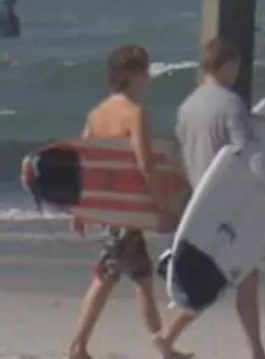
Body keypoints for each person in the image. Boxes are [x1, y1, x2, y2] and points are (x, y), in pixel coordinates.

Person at [153, 37, 265, 359]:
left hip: (198, 203)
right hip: (227, 205)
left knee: (232, 272)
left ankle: (170, 338)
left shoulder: (186, 107)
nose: (238, 73)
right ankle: (255, 352)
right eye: (237, 66)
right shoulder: (230, 104)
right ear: (227, 64)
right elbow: (250, 154)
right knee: (230, 273)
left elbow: (177, 156)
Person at [67, 44, 179, 359]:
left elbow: (85, 163)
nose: (148, 77)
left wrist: (81, 209)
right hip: (128, 211)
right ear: (132, 75)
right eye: (145, 71)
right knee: (105, 276)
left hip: (109, 207)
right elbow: (146, 164)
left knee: (142, 277)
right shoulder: (135, 113)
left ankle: (164, 347)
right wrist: (162, 207)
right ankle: (77, 347)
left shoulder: (96, 114)